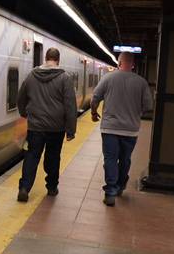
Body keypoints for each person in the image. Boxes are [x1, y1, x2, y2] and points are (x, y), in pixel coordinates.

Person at [90, 51, 153, 206]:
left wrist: (93, 112)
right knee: (125, 159)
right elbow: (149, 106)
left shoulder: (108, 78)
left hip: (110, 129)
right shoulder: (141, 82)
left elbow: (95, 98)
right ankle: (120, 185)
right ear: (133, 65)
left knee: (110, 159)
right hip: (130, 130)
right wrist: (135, 113)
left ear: (119, 63)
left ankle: (110, 191)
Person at [16, 47, 77, 202]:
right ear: (58, 60)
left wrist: (24, 113)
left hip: (35, 126)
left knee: (31, 156)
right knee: (53, 157)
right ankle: (51, 187)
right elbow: (70, 105)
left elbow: (20, 98)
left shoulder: (31, 76)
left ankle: (24, 188)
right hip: (56, 128)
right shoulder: (65, 78)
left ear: (45, 58)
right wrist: (71, 130)